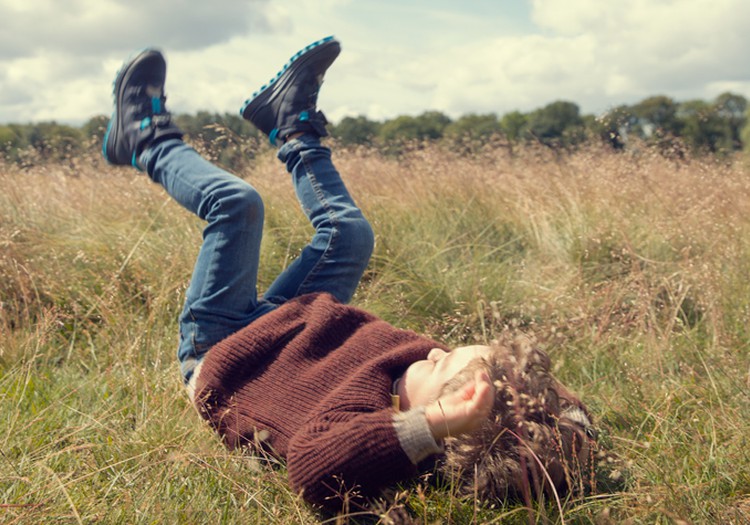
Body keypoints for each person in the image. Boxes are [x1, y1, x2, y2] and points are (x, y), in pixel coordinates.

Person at [102, 36, 600, 513]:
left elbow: (312, 472)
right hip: (292, 322)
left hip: (224, 348)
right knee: (350, 233)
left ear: (442, 423)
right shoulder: (419, 375)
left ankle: (144, 139)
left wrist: (429, 425)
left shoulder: (365, 429)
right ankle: (291, 126)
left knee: (235, 205)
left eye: (439, 367)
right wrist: (565, 416)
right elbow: (548, 412)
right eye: (445, 353)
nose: (430, 350)